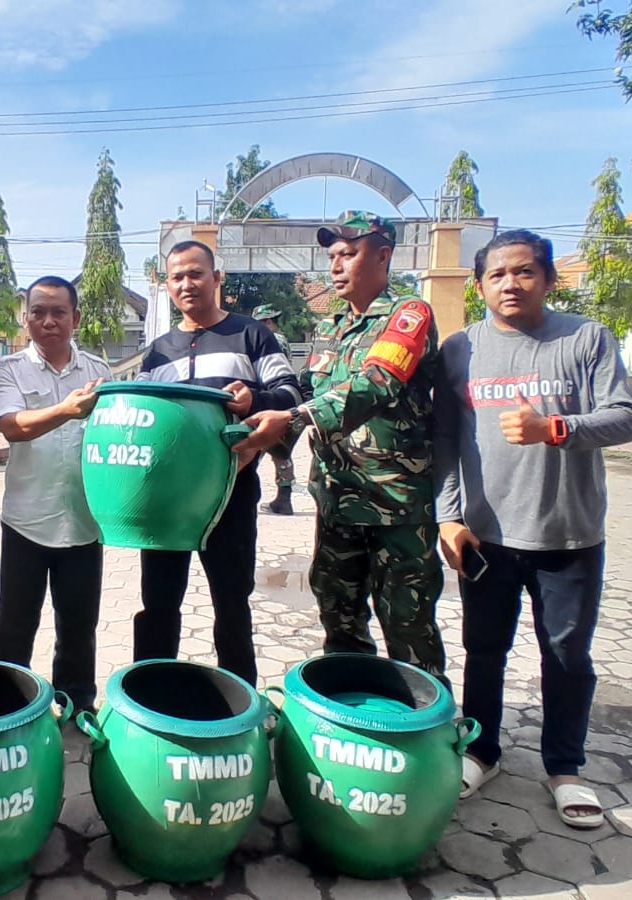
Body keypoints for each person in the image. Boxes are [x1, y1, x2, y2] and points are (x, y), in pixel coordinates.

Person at [434, 229, 632, 829]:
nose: (511, 284)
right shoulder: (460, 350)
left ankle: (565, 767)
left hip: (568, 534)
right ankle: (482, 750)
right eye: (497, 275)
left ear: (549, 279)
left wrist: (556, 428)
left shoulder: (585, 338)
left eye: (525, 272)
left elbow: (625, 418)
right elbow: (446, 440)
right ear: (479, 287)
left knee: (566, 654)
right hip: (487, 535)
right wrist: (447, 515)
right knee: (484, 651)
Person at [234, 211, 448, 686]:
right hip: (337, 504)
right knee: (340, 622)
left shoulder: (409, 316)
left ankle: (427, 737)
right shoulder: (331, 330)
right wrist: (253, 433)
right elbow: (304, 393)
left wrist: (291, 418)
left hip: (396, 509)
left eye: (348, 254)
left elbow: (377, 384)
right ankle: (355, 725)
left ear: (384, 255)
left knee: (408, 628)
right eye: (332, 256)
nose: (335, 266)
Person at [134, 240, 302, 685]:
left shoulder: (252, 335)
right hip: (166, 501)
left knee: (231, 602)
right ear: (165, 284)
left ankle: (240, 700)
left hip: (231, 492)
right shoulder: (158, 352)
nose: (187, 284)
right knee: (158, 603)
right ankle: (150, 696)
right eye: (177, 277)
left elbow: (291, 395)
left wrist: (256, 400)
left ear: (216, 278)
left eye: (196, 274)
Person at [0, 276, 112, 715]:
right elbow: (11, 426)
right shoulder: (9, 370)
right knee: (16, 626)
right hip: (27, 519)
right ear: (26, 319)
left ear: (75, 318)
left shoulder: (99, 373)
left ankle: (77, 705)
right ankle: (6, 709)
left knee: (79, 626)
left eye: (58, 312)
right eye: (38, 312)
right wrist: (66, 410)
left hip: (83, 520)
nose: (48, 321)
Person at [251, 305, 297, 516]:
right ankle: (283, 497)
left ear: (267, 322)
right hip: (284, 403)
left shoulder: (271, 340)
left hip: (270, 402)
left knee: (255, 448)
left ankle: (245, 494)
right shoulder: (283, 339)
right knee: (281, 452)